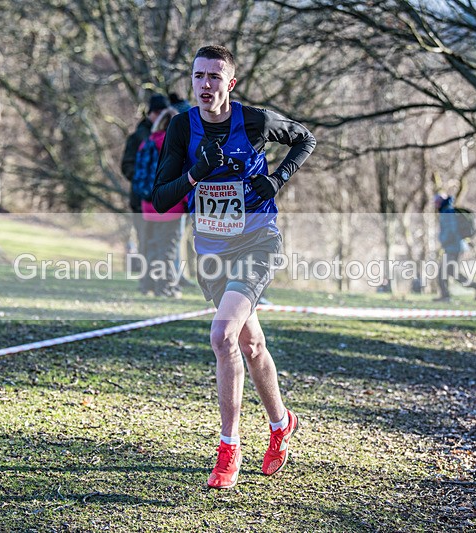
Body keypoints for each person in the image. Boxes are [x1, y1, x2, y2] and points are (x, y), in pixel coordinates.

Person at [152, 45, 316, 489]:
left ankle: (229, 449)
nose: (205, 85)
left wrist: (276, 179)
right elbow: (160, 196)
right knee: (252, 344)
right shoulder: (183, 128)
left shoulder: (256, 121)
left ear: (231, 83)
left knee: (223, 335)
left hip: (258, 241)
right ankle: (281, 424)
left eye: (214, 77)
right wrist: (193, 175)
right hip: (210, 252)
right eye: (198, 76)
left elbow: (305, 138)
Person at [121, 94, 169, 293]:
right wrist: (145, 181)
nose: (159, 116)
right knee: (145, 242)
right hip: (141, 199)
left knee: (161, 245)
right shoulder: (138, 137)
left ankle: (157, 284)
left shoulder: (169, 134)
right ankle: (145, 283)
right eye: (157, 112)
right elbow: (126, 165)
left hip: (161, 200)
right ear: (150, 113)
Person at [137, 107, 186, 297]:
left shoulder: (147, 143)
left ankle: (146, 285)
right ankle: (165, 288)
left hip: (148, 204)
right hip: (171, 206)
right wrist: (187, 201)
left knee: (151, 246)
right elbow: (182, 176)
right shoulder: (175, 145)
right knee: (168, 248)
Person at [434, 193, 476, 301]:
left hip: (453, 247)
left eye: (436, 201)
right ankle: (475, 286)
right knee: (451, 272)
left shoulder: (447, 212)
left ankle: (446, 296)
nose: (435, 204)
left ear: (440, 202)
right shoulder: (446, 211)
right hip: (453, 246)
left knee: (442, 272)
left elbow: (451, 230)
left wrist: (443, 241)